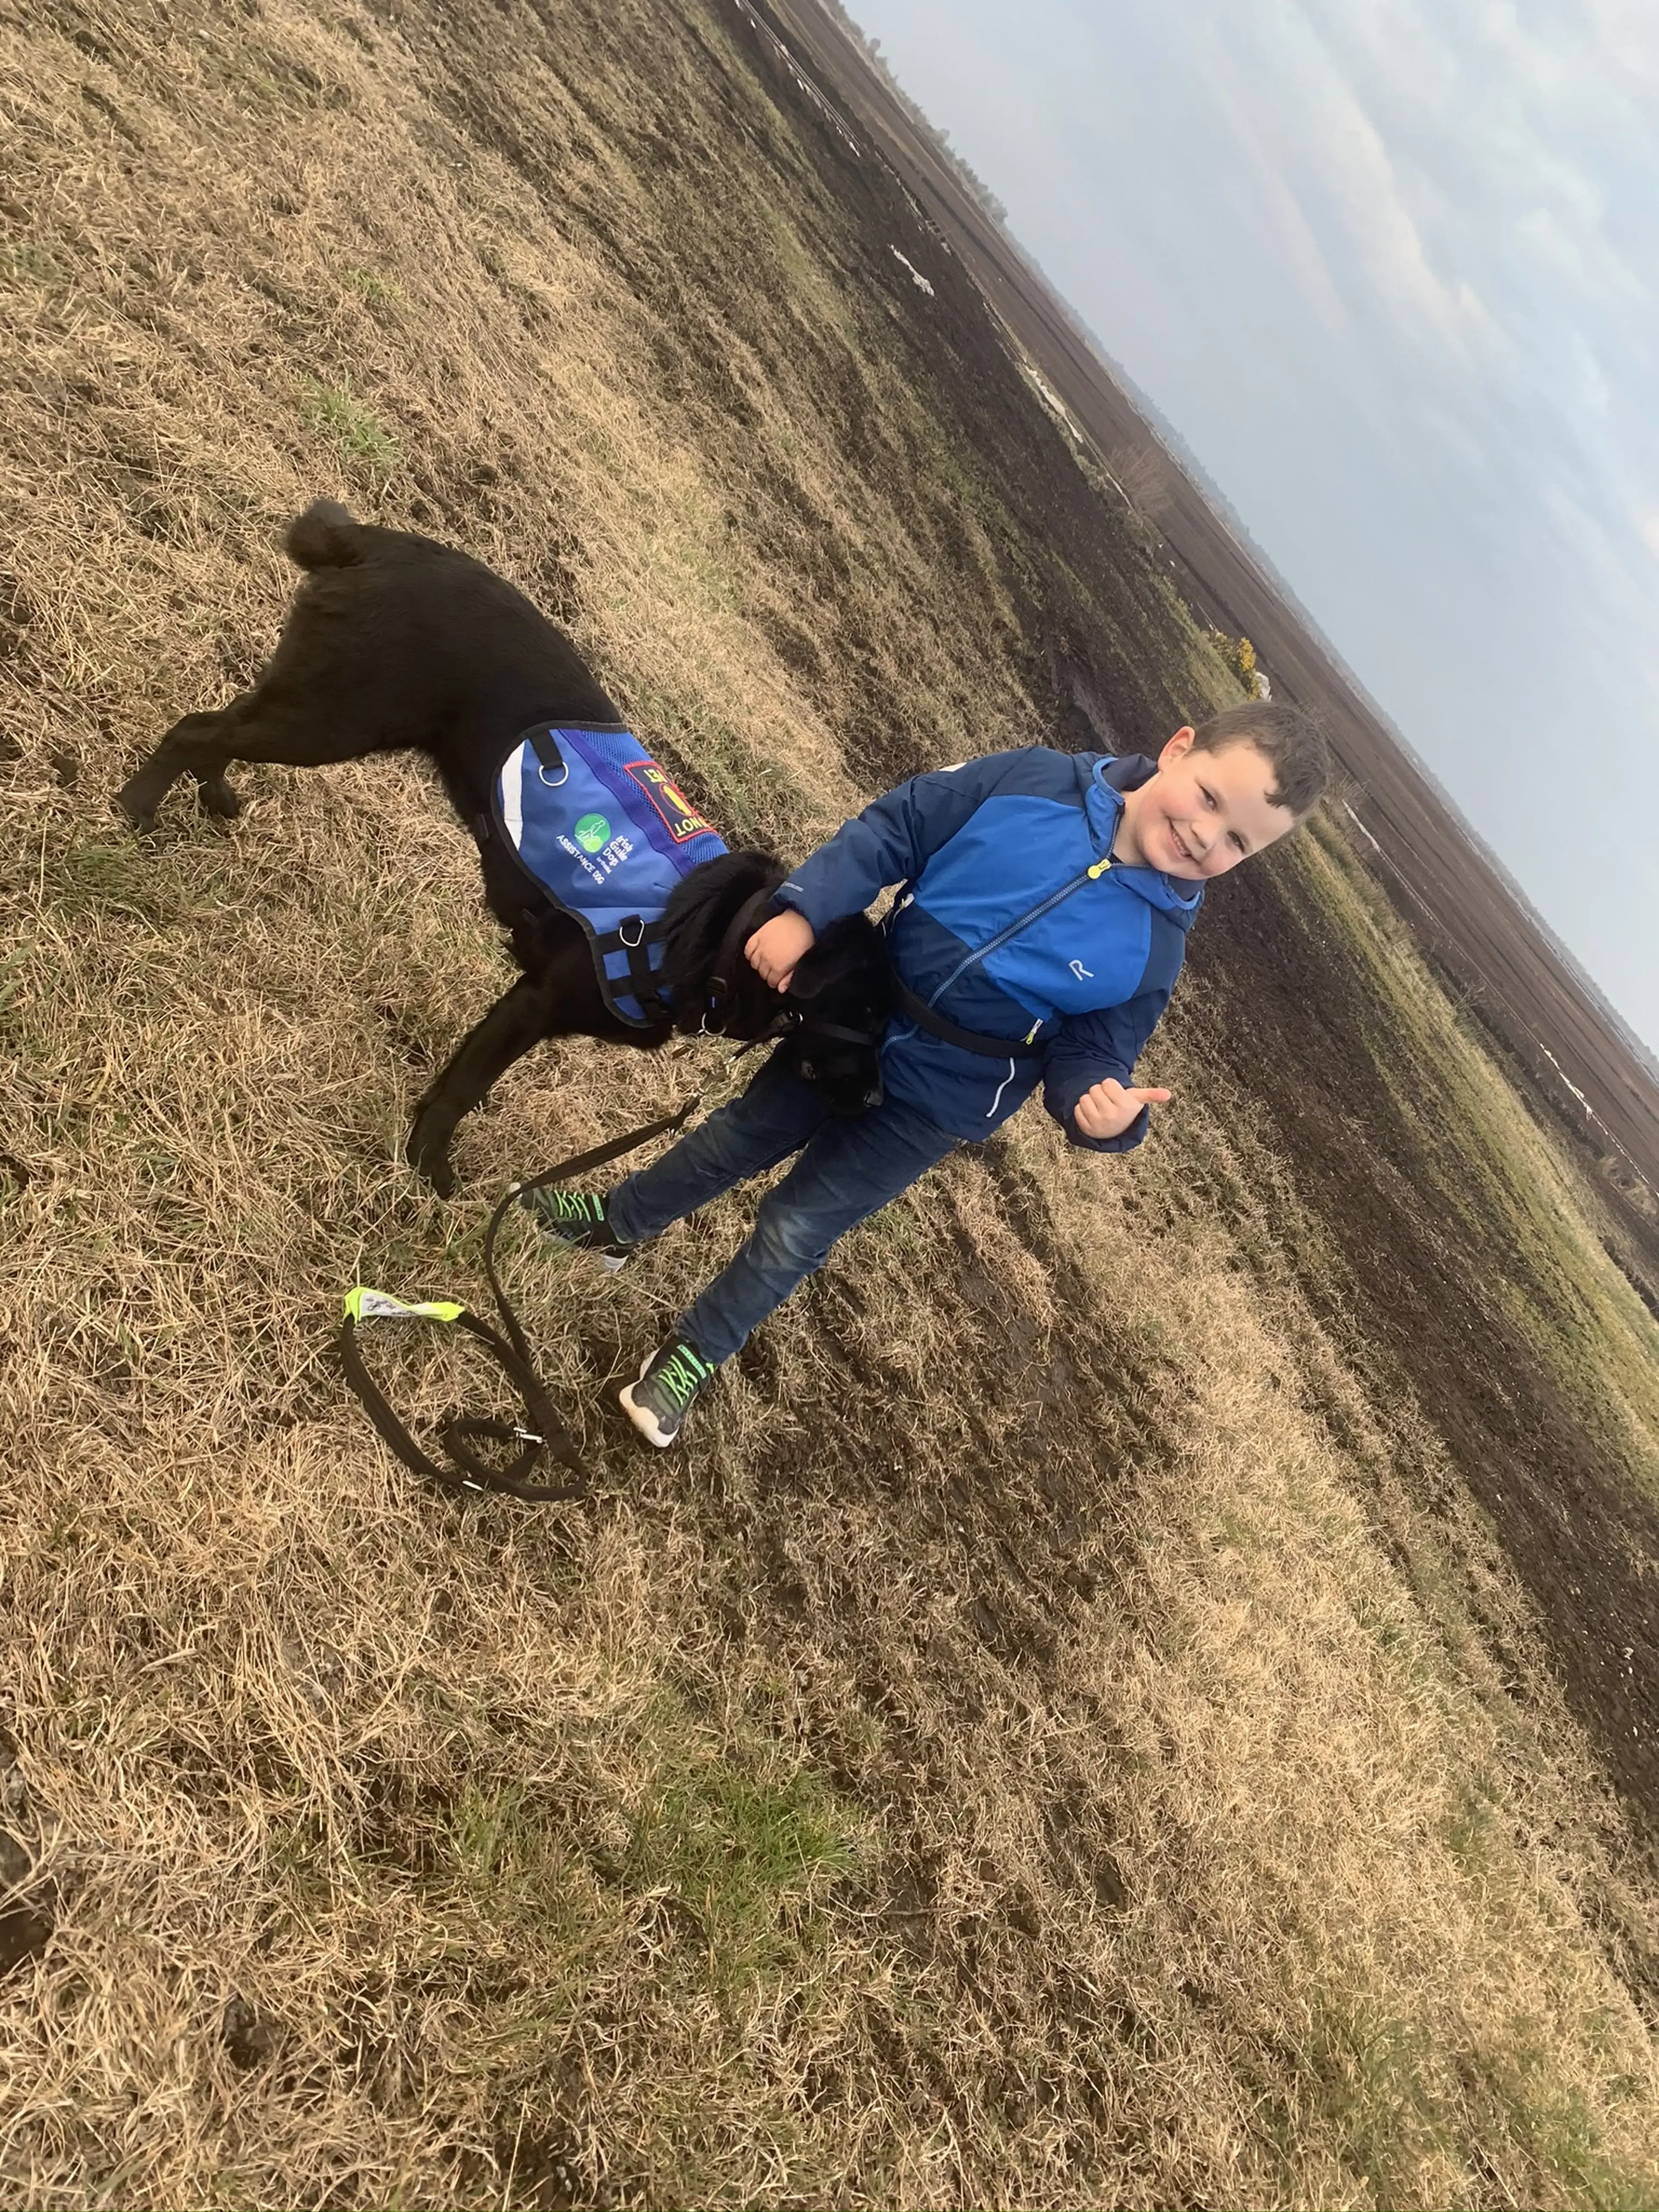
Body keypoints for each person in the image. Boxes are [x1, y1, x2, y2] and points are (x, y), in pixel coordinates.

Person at [524, 702, 1329, 1445]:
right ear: (1178, 749)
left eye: (1238, 844)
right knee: (732, 1140)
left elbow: (1094, 1052)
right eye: (1212, 800)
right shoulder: (1034, 780)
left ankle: (697, 1354)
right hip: (854, 1019)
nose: (1206, 838)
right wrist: (807, 911)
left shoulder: (1157, 950)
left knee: (798, 1228)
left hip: (935, 1106)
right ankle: (617, 1222)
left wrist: (1100, 1106)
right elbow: (898, 827)